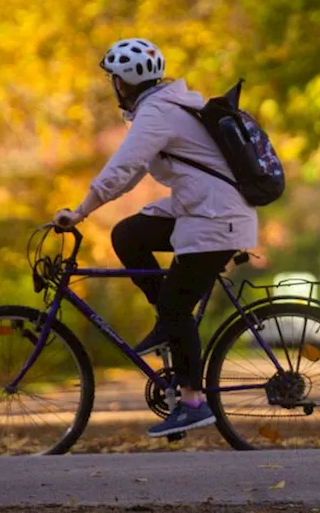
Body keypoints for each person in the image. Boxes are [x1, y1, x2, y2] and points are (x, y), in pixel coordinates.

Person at [53, 38, 257, 438]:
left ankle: (194, 402)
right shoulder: (168, 107)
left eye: (113, 80)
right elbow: (133, 172)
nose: (113, 87)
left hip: (215, 220)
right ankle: (168, 320)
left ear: (124, 83)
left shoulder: (158, 113)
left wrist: (80, 210)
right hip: (202, 211)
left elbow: (123, 166)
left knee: (179, 309)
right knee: (128, 235)